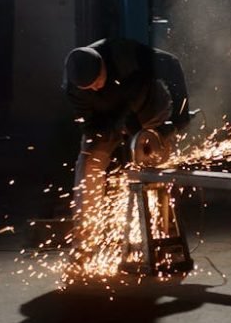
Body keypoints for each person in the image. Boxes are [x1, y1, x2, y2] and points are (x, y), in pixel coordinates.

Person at [62, 36, 189, 226]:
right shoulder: (73, 88)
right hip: (110, 121)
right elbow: (90, 127)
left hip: (148, 107)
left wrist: (179, 117)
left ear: (102, 64)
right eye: (89, 88)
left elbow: (171, 63)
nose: (95, 88)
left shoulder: (123, 53)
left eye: (97, 81)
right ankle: (83, 245)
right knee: (88, 167)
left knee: (154, 168)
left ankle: (162, 230)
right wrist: (117, 130)